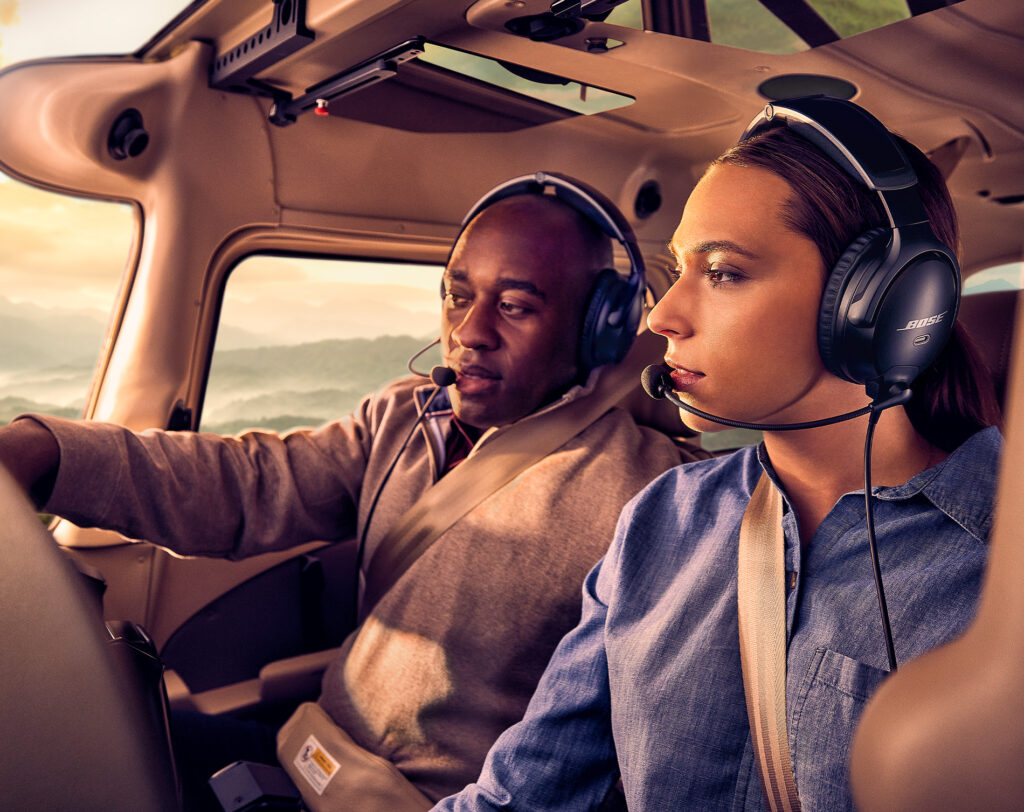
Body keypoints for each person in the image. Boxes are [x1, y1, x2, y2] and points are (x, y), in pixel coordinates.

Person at [0, 174, 688, 809]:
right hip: (311, 754)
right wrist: (47, 452)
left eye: (513, 306)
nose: (470, 332)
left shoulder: (650, 492)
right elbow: (246, 485)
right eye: (458, 294)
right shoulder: (402, 415)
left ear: (597, 328)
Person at [431, 100, 1002, 811]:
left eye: (724, 272)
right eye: (677, 270)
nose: (661, 315)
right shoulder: (662, 521)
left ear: (880, 306)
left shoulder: (1001, 565)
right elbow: (520, 798)